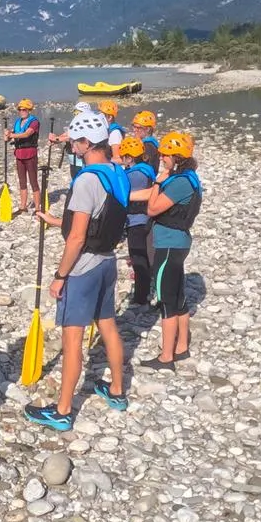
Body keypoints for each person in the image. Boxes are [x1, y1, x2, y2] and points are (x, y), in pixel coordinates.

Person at [25, 110, 130, 431]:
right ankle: (117, 391)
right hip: (108, 261)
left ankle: (63, 411)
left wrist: (60, 277)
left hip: (83, 268)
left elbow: (77, 237)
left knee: (72, 340)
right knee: (108, 326)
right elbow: (100, 218)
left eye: (75, 141)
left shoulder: (86, 180)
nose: (71, 146)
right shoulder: (118, 172)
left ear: (87, 143)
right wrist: (55, 220)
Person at [136, 132, 203, 370]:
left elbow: (153, 208)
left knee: (166, 301)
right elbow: (159, 195)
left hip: (168, 245)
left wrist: (156, 182)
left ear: (177, 156)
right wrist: (123, 196)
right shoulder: (186, 178)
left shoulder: (180, 182)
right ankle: (181, 347)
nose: (162, 158)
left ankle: (166, 357)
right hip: (178, 243)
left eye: (165, 154)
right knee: (178, 296)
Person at [118, 136, 156, 308]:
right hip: (147, 218)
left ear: (129, 158)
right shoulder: (147, 169)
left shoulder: (132, 175)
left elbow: (120, 192)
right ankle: (147, 289)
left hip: (135, 221)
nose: (122, 160)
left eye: (123, 157)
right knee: (145, 255)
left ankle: (141, 296)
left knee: (138, 258)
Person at [6, 99, 42, 213]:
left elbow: (27, 134)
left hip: (30, 154)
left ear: (29, 110)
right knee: (22, 181)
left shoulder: (34, 122)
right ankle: (23, 206)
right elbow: (11, 135)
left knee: (33, 181)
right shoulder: (17, 122)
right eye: (20, 110)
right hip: (19, 154)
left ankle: (37, 207)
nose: (22, 111)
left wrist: (11, 135)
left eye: (24, 109)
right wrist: (7, 135)